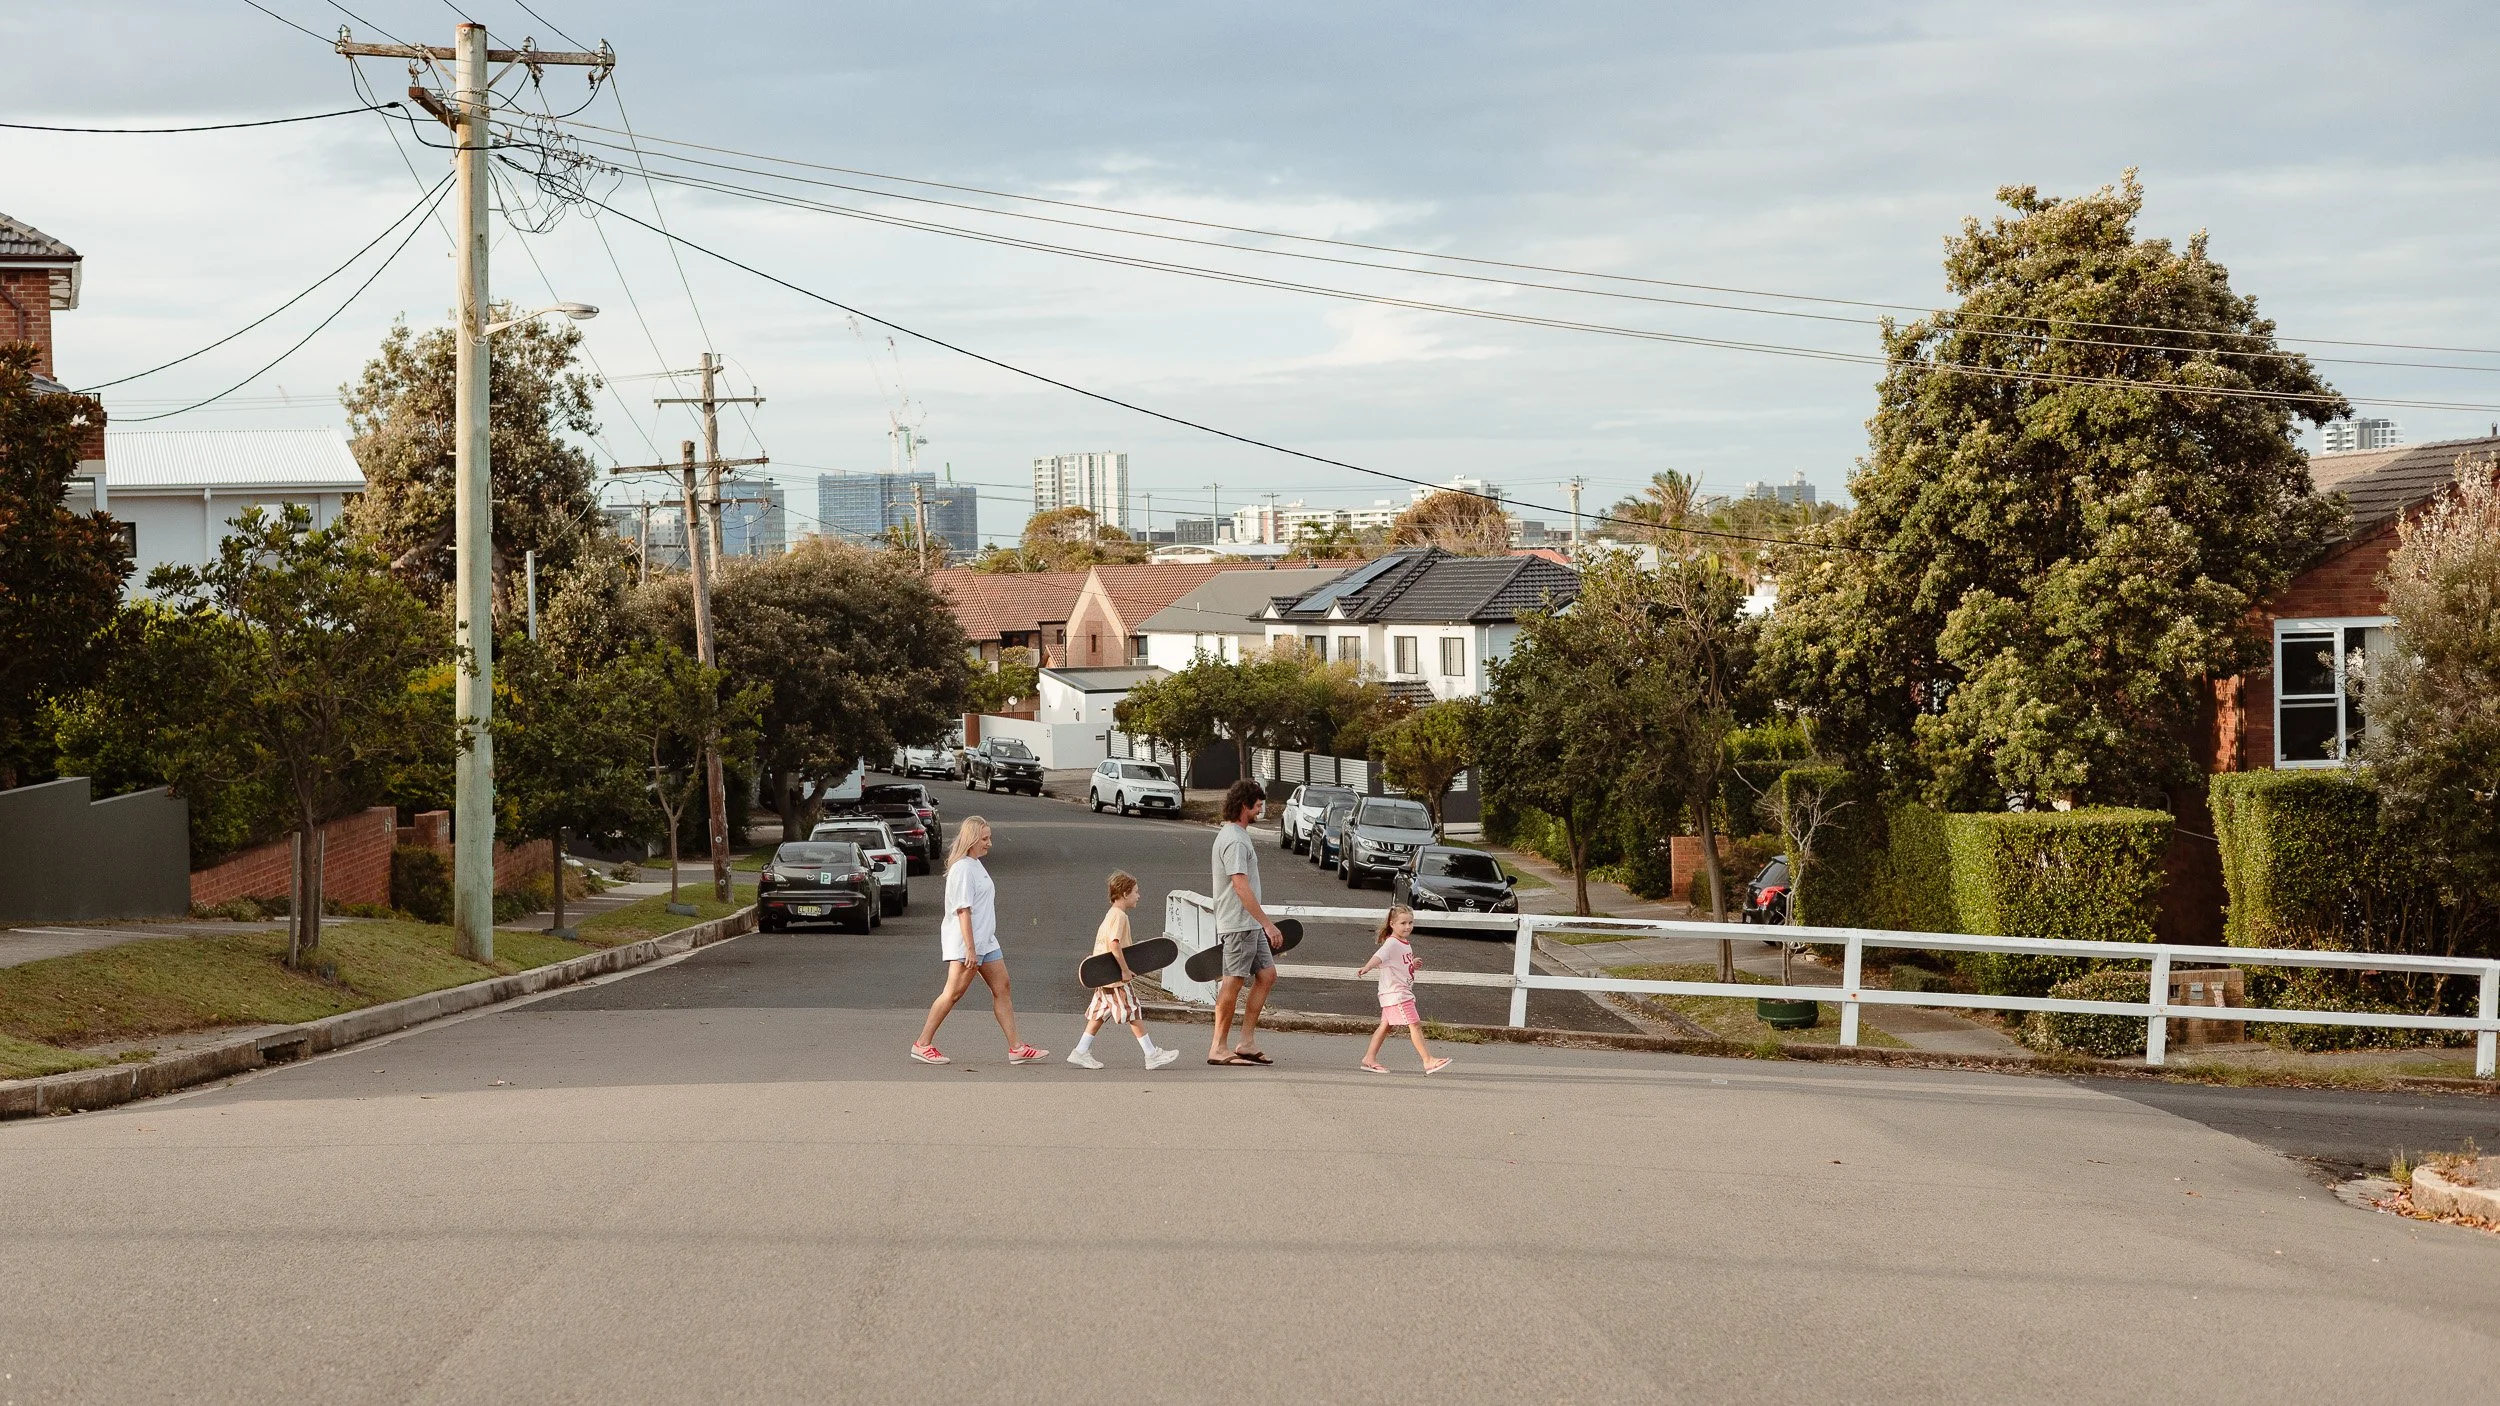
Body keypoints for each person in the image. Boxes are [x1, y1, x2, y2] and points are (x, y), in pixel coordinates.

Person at [911, 816, 1046, 1066]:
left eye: (989, 838)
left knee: (1002, 987)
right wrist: (970, 949)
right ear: (972, 840)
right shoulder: (962, 868)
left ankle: (1016, 1047)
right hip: (967, 944)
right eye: (985, 839)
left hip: (987, 941)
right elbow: (963, 910)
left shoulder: (975, 864)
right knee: (952, 993)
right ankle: (922, 1043)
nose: (989, 843)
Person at [1068, 871, 1180, 1070]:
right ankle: (1151, 1054)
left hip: (1104, 974)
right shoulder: (1119, 917)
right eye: (1136, 891)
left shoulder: (1112, 914)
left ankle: (1080, 1051)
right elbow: (1114, 944)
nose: (1139, 895)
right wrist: (1125, 970)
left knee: (1099, 1014)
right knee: (1132, 1010)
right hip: (1115, 976)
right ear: (1125, 893)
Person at [1207, 778, 1284, 1067]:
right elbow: (1240, 885)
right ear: (1244, 806)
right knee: (1234, 981)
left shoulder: (1239, 835)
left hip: (1248, 924)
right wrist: (1268, 923)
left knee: (1267, 975)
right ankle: (1218, 1046)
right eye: (1258, 804)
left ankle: (1246, 1042)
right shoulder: (1234, 840)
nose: (1262, 809)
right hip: (1239, 923)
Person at [1356, 905, 1451, 1074]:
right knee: (1415, 1024)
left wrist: (1412, 964)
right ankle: (1428, 1060)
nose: (1408, 926)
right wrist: (1367, 967)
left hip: (1396, 992)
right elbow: (1379, 956)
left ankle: (1369, 1058)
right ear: (1392, 924)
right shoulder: (1392, 943)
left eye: (1410, 922)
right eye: (1403, 923)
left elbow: (1398, 964)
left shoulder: (1404, 943)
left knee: (1385, 1026)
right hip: (1397, 994)